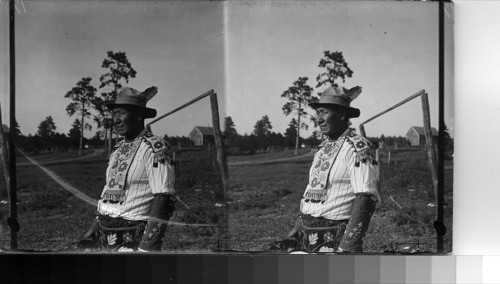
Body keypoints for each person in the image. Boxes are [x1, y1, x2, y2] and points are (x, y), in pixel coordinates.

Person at [267, 86, 380, 253]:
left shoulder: (358, 148)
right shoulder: (322, 149)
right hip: (307, 231)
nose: (319, 119)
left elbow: (366, 197)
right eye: (317, 113)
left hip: (334, 236)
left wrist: (348, 246)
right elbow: (312, 189)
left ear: (342, 115)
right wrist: (300, 224)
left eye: (324, 112)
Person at [76, 86, 176, 252]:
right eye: (115, 113)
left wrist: (147, 247)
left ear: (138, 116)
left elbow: (163, 198)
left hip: (133, 235)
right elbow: (108, 191)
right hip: (104, 230)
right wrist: (94, 228)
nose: (116, 119)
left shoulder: (156, 148)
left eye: (121, 113)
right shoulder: (117, 149)